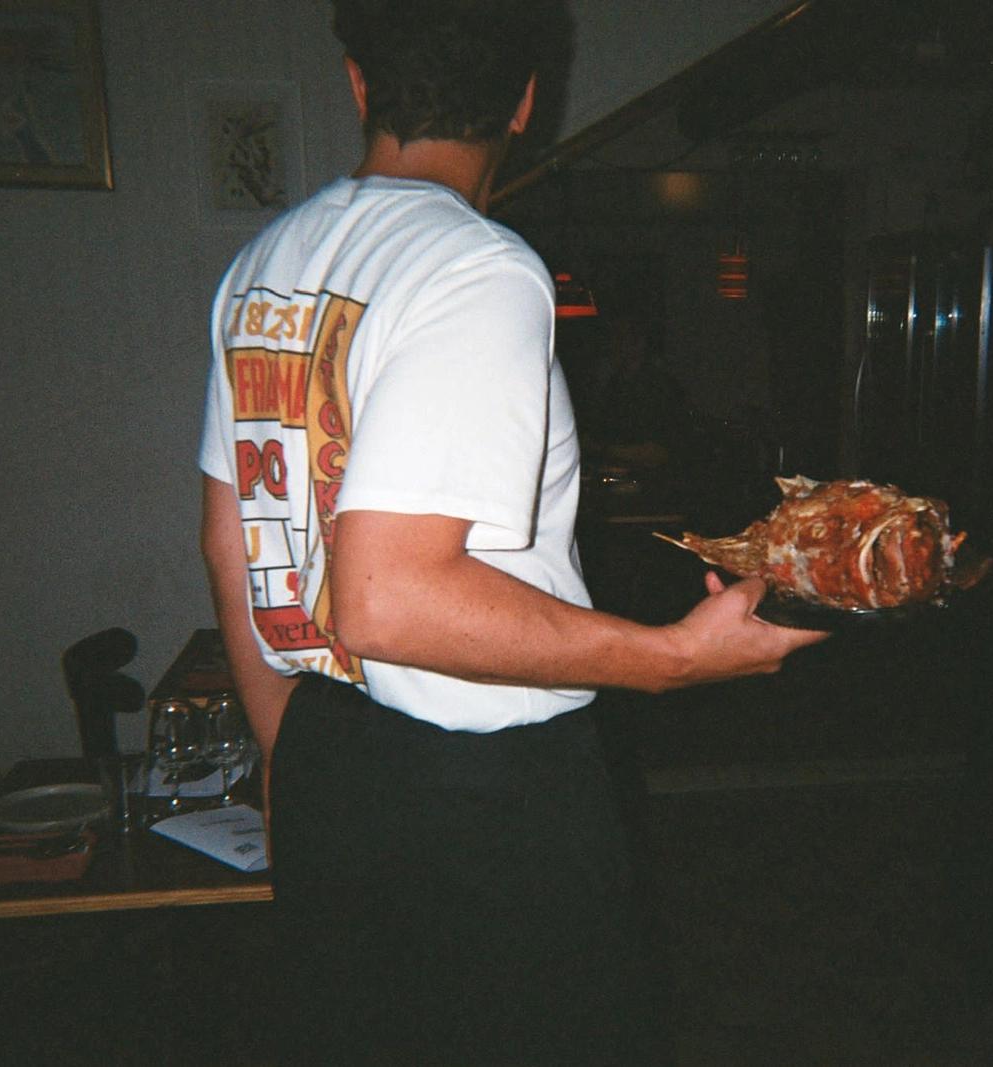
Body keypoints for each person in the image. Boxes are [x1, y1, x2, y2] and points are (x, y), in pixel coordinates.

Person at [196, 3, 825, 1063]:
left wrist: (285, 755)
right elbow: (389, 599)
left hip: (325, 750)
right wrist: (673, 657)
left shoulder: (265, 262)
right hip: (480, 797)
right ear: (527, 100)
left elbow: (230, 544)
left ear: (358, 84)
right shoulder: (475, 267)